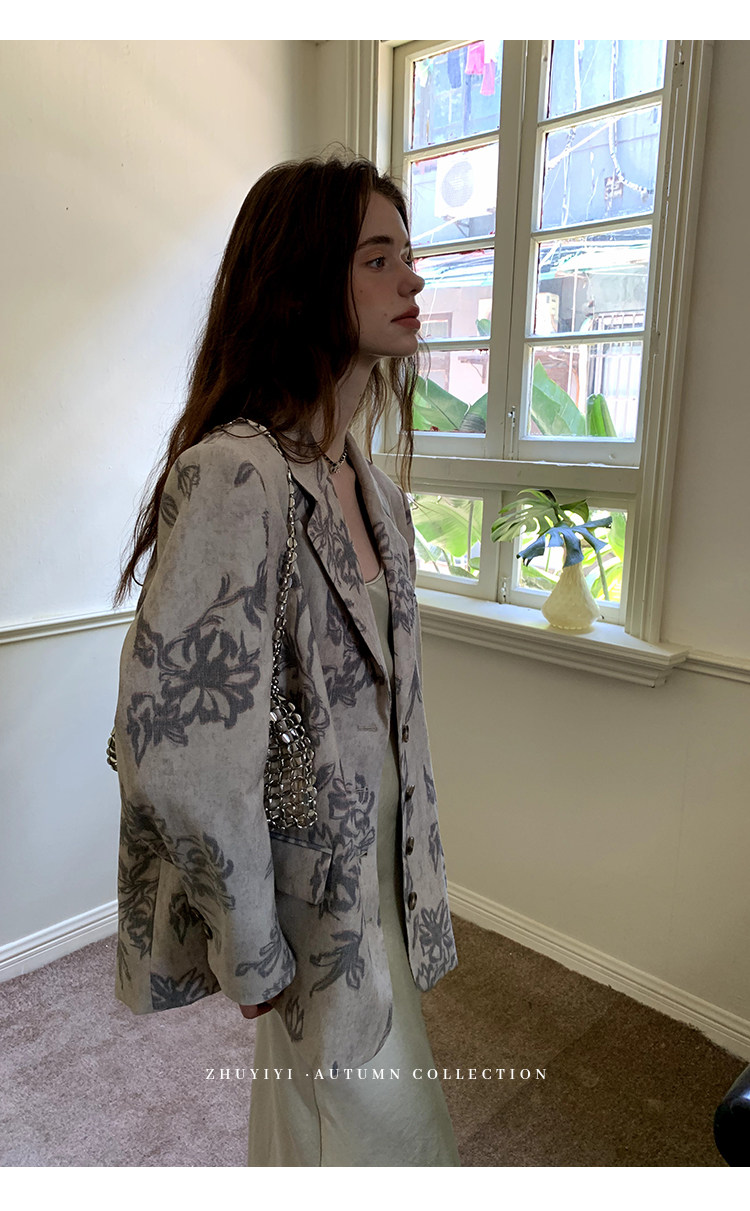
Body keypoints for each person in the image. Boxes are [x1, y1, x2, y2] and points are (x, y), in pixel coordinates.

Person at [111, 152, 460, 1166]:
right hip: (308, 901)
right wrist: (247, 937)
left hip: (380, 873)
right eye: (377, 258)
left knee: (326, 1116)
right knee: (384, 1138)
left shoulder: (373, 490)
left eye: (408, 254)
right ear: (303, 280)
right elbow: (177, 747)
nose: (412, 278)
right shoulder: (235, 474)